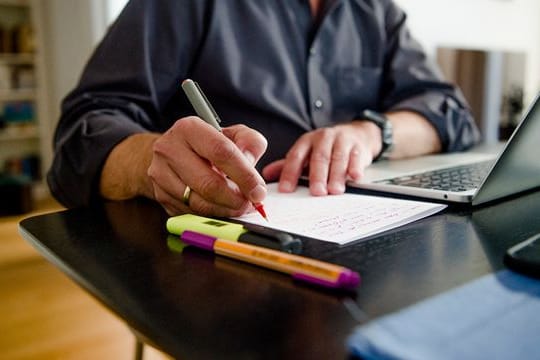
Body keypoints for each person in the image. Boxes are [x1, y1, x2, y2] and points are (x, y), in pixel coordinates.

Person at [48, 0, 480, 217]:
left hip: (365, 241)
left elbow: (449, 112)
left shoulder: (375, 10)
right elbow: (82, 132)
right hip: (220, 265)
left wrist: (369, 134)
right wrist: (151, 159)